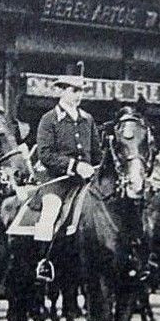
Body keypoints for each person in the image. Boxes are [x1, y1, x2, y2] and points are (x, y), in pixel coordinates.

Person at [27, 75, 98, 255]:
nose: (78, 95)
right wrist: (75, 166)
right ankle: (43, 260)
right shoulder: (49, 119)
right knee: (51, 210)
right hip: (56, 179)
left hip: (85, 181)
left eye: (81, 91)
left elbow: (96, 152)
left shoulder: (87, 119)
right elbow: (45, 154)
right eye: (74, 90)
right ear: (61, 91)